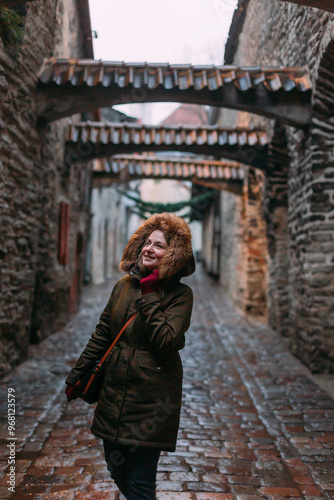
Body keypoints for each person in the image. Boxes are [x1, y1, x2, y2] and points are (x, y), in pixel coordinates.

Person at [64, 212, 195, 500]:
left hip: (152, 399)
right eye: (147, 242)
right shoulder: (123, 286)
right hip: (115, 392)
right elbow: (102, 334)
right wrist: (77, 376)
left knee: (140, 479)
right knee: (115, 467)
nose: (149, 249)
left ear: (173, 254)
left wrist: (149, 295)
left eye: (158, 245)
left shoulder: (181, 296)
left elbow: (166, 340)